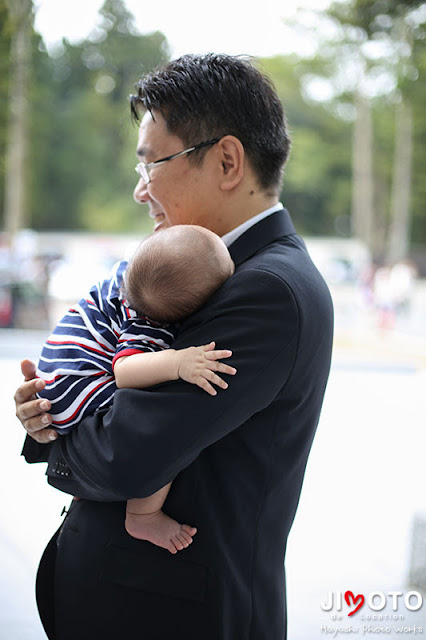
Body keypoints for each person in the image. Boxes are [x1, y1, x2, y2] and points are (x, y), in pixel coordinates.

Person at [15, 53, 334, 640]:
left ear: (228, 161)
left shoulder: (263, 288)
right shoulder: (213, 266)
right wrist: (55, 409)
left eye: (150, 164)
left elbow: (125, 457)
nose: (140, 192)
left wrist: (66, 424)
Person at [36, 224, 236, 554]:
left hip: (59, 376)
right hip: (76, 387)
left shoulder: (127, 275)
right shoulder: (148, 323)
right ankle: (143, 513)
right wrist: (177, 362)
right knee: (162, 427)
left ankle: (87, 481)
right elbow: (125, 370)